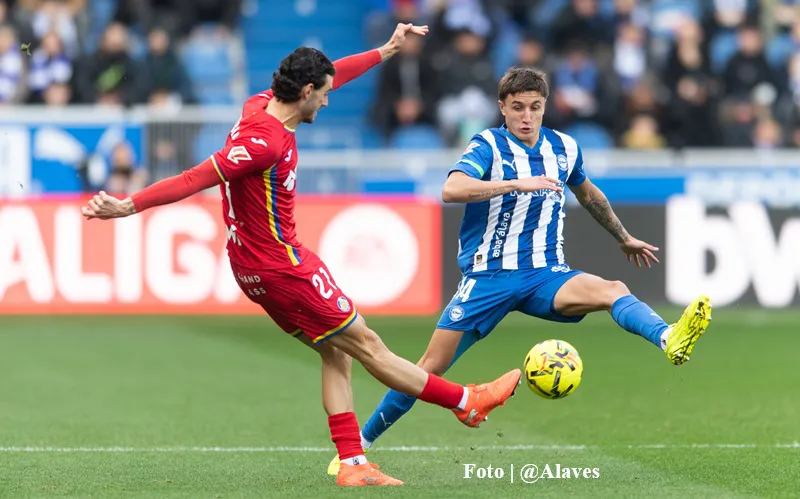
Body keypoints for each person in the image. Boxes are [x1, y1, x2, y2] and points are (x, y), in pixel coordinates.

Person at [79, 25, 548, 487]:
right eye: (322, 94)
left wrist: (384, 51)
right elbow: (195, 177)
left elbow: (333, 74)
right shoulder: (265, 143)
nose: (328, 100)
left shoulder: (260, 104)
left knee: (335, 352)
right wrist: (127, 205)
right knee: (366, 346)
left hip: (250, 264)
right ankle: (466, 399)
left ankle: (352, 463)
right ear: (305, 92)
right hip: (283, 265)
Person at [327, 66, 713, 475]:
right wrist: (514, 184)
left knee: (611, 288)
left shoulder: (564, 147)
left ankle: (669, 337)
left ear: (545, 107)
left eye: (535, 107)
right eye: (517, 108)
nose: (526, 116)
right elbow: (451, 188)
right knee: (428, 368)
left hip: (545, 275)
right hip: (487, 279)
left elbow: (588, 192)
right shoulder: (488, 145)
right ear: (502, 108)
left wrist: (622, 236)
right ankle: (357, 448)